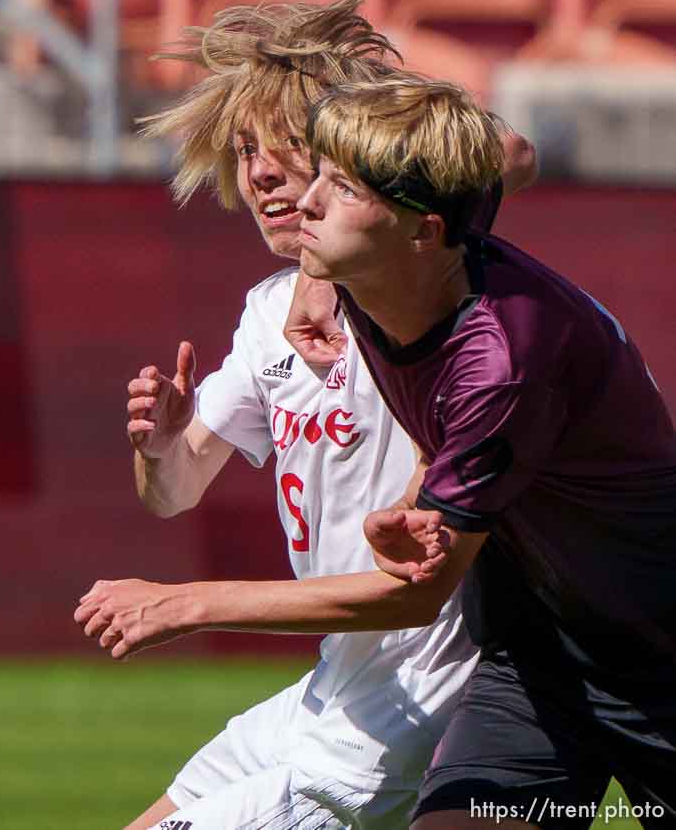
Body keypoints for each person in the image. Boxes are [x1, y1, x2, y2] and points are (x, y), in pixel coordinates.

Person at [74, 0, 537, 830]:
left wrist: (330, 268)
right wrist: (160, 445)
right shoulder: (266, 315)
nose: (257, 173)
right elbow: (172, 493)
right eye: (243, 148)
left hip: (412, 707)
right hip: (333, 689)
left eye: (287, 144)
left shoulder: (421, 291)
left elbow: (506, 149)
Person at [282, 76, 676, 829]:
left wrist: (185, 604)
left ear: (422, 231)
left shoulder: (501, 361)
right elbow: (503, 153)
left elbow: (416, 594)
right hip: (540, 666)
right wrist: (313, 274)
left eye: (339, 187)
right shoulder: (383, 263)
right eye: (319, 177)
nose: (305, 202)